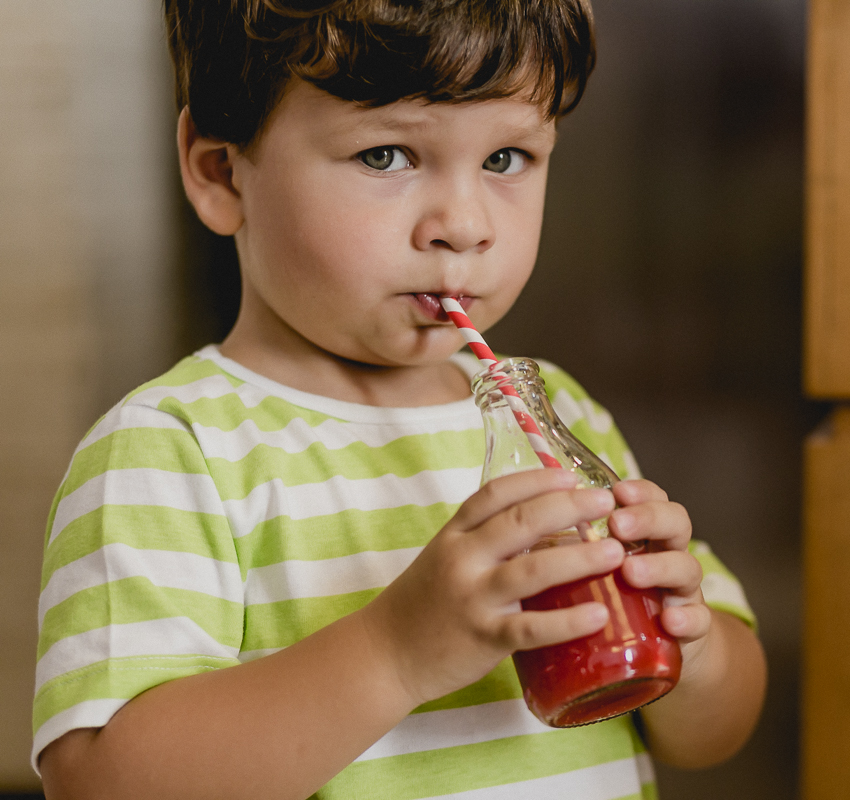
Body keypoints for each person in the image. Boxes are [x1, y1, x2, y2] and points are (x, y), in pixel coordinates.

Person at [32, 1, 767, 797]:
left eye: (508, 158)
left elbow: (712, 736)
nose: (464, 225)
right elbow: (101, 782)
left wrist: (690, 647)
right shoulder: (173, 450)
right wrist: (396, 652)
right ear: (221, 173)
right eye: (386, 155)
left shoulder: (557, 417)